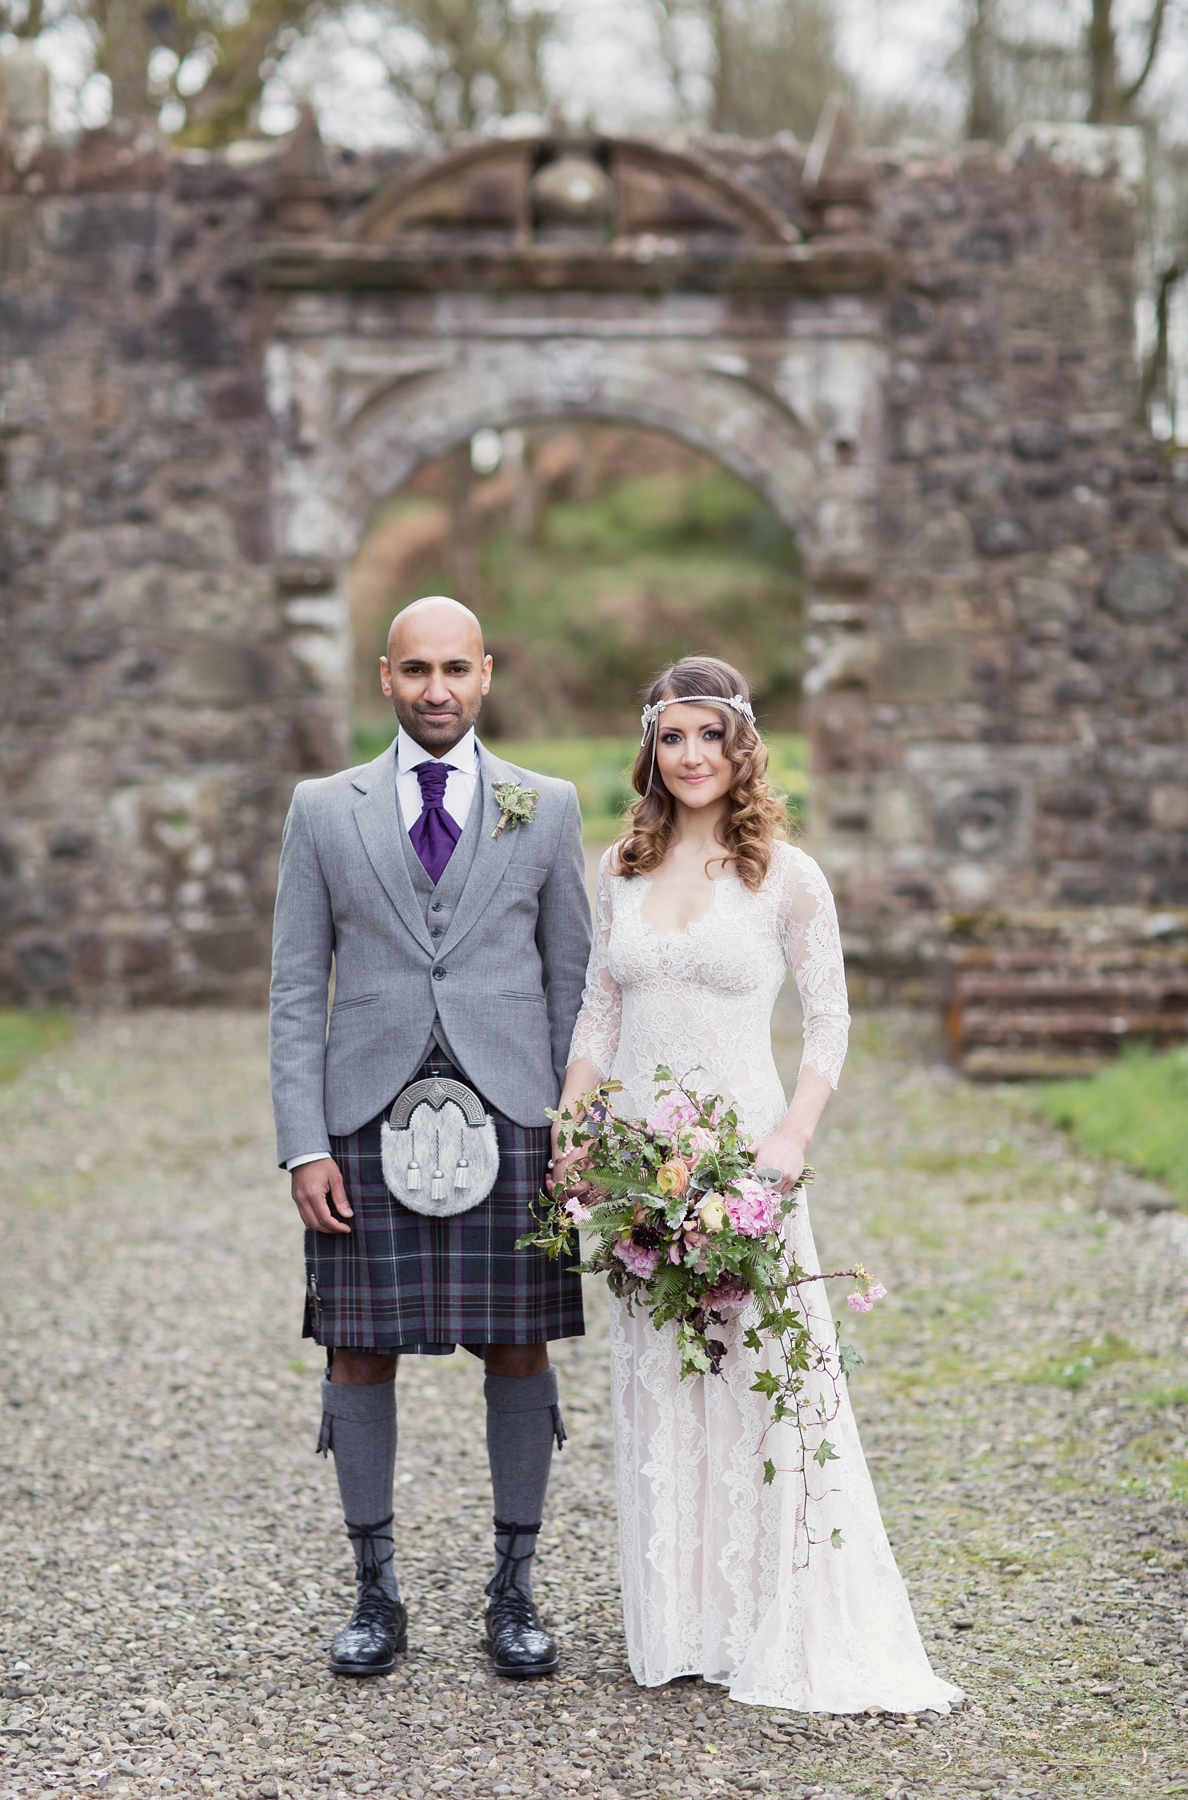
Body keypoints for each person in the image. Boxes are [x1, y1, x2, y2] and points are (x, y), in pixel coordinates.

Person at [554, 654, 962, 1714]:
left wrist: (788, 1140)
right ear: (650, 746)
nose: (691, 756)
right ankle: (682, 1623)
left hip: (745, 1166)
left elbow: (830, 1021)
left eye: (710, 735)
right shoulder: (620, 869)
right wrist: (575, 1125)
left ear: (744, 746)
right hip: (643, 1170)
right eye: (672, 736)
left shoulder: (786, 873)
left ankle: (767, 1619)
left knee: (759, 1377)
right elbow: (598, 1014)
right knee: (661, 1380)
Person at [269, 595, 592, 1680]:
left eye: (457, 668)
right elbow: (292, 990)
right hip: (363, 1108)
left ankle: (514, 1593)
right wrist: (303, 1143)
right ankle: (376, 1593)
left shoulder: (546, 807)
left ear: (488, 674)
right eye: (417, 670)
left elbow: (572, 983)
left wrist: (572, 1129)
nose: (438, 689)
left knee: (516, 1340)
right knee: (356, 1348)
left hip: (515, 1109)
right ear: (385, 677)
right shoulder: (323, 810)